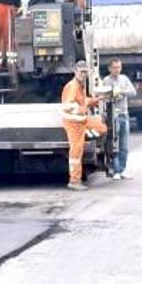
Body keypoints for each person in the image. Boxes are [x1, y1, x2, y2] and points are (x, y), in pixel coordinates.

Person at [60, 61, 103, 191]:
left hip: (81, 121)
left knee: (102, 127)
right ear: (75, 71)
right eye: (81, 71)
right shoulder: (72, 86)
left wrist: (94, 100)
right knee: (76, 152)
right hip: (74, 124)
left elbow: (82, 101)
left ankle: (89, 137)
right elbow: (69, 107)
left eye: (85, 72)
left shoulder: (80, 85)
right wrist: (86, 106)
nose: (83, 74)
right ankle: (74, 180)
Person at [102, 58, 137, 180]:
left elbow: (133, 92)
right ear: (110, 68)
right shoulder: (106, 80)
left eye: (119, 67)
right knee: (114, 143)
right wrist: (113, 94)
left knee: (124, 145)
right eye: (115, 67)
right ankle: (115, 170)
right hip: (113, 115)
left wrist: (121, 91)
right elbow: (104, 96)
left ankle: (122, 170)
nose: (117, 70)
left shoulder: (124, 79)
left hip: (124, 114)